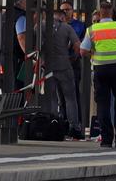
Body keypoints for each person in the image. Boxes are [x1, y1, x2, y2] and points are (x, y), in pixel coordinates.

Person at [80, 1, 116, 148]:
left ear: (100, 13)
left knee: (103, 105)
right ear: (112, 12)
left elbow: (82, 51)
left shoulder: (92, 29)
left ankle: (106, 140)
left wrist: (94, 54)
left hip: (100, 70)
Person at [41, 9, 83, 139]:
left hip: (47, 67)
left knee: (51, 97)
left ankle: (53, 124)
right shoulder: (67, 27)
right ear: (63, 18)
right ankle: (74, 127)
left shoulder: (40, 26)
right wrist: (73, 58)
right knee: (70, 98)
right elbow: (77, 46)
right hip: (64, 66)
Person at [60, 1, 86, 121]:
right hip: (60, 62)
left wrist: (74, 56)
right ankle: (63, 120)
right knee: (60, 95)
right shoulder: (57, 25)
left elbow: (81, 43)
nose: (65, 12)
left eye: (67, 9)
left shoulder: (79, 26)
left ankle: (76, 122)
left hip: (73, 62)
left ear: (72, 10)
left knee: (73, 93)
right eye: (63, 10)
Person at [12, 0, 27, 91]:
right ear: (20, 2)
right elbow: (21, 37)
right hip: (18, 55)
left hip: (5, 54)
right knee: (19, 85)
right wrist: (29, 54)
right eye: (26, 1)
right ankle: (17, 106)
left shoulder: (6, 15)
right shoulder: (21, 16)